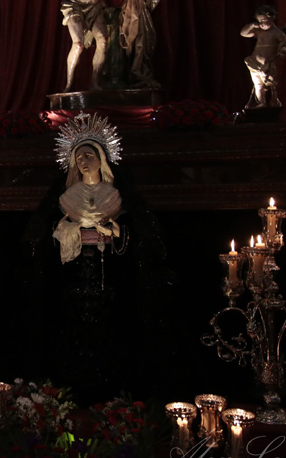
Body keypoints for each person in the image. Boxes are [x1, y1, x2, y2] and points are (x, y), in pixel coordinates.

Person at [21, 114, 176, 403]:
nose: (84, 160)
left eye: (89, 155)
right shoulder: (67, 197)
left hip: (109, 279)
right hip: (73, 279)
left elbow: (141, 240)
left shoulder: (115, 195)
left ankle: (112, 394)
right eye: (79, 156)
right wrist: (68, 231)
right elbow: (44, 240)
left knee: (110, 333)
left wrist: (116, 232)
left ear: (102, 159)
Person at [240, 5, 286, 108]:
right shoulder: (259, 32)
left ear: (272, 17)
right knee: (258, 84)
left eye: (264, 21)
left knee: (270, 82)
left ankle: (275, 101)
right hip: (254, 62)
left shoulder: (277, 33)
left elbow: (285, 45)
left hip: (268, 64)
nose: (261, 24)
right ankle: (261, 103)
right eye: (259, 21)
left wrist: (285, 51)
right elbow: (243, 33)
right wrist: (251, 26)